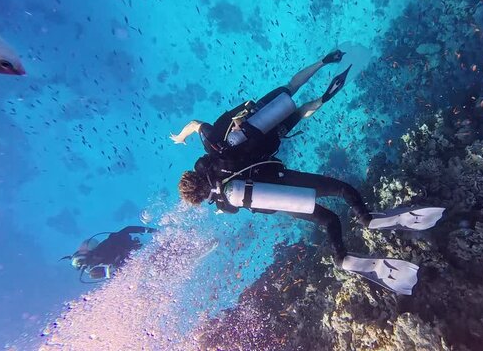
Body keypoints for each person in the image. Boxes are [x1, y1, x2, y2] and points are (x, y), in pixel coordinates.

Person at [171, 50, 444, 295]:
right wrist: (182, 136)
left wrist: (218, 200)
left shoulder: (224, 201)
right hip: (266, 129)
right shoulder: (215, 147)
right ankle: (367, 218)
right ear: (193, 173)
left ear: (202, 194)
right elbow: (196, 124)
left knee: (329, 220)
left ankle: (342, 258)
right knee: (293, 95)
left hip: (278, 194)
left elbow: (228, 204)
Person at [60, 226, 157, 282]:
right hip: (143, 264)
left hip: (143, 256)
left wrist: (152, 231)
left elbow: (126, 230)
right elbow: (127, 230)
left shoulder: (106, 245)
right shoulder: (95, 271)